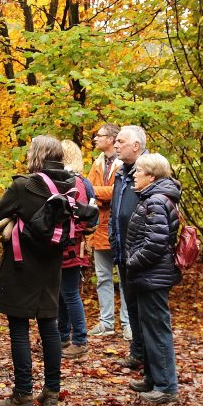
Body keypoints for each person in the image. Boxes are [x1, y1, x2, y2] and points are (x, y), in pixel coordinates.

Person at [0, 136, 76, 406]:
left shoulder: (23, 186)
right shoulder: (71, 187)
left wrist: (14, 221)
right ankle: (51, 393)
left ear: (36, 156)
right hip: (52, 266)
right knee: (50, 326)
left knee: (19, 328)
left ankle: (23, 395)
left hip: (21, 264)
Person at [123, 153, 181, 404]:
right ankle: (152, 378)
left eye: (138, 172)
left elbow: (155, 243)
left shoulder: (156, 201)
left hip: (153, 275)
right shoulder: (151, 198)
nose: (134, 175)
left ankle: (166, 386)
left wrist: (132, 262)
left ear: (152, 176)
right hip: (148, 274)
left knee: (157, 329)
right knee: (148, 328)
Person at [87, 123, 131, 340]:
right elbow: (86, 191)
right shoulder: (97, 163)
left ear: (112, 139)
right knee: (103, 277)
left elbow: (118, 191)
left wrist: (97, 192)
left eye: (100, 135)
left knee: (124, 278)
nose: (95, 138)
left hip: (120, 230)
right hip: (98, 228)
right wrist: (100, 193)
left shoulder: (124, 164)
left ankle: (127, 323)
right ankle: (106, 323)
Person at [110, 125, 148, 368]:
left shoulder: (149, 172)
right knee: (131, 305)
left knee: (145, 309)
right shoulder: (121, 173)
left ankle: (150, 358)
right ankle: (137, 352)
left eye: (121, 141)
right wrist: (115, 241)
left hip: (142, 254)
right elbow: (117, 212)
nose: (115, 145)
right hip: (123, 251)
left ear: (136, 146)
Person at [58, 140, 95, 359]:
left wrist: (65, 231)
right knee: (63, 293)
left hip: (72, 246)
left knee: (70, 294)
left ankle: (80, 341)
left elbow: (83, 216)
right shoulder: (71, 181)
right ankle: (63, 337)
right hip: (68, 244)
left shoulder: (76, 183)